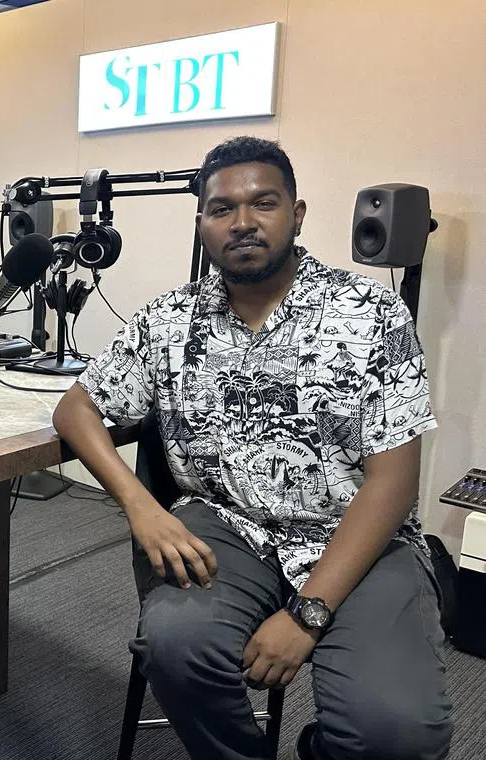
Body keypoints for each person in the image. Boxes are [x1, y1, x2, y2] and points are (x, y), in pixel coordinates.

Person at [53, 136, 452, 760]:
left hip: (356, 534)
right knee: (175, 646)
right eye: (221, 209)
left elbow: (393, 483)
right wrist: (141, 506)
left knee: (394, 733)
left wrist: (306, 615)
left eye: (263, 203)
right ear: (202, 224)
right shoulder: (171, 318)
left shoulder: (370, 314)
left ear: (296, 215)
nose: (242, 222)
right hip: (226, 525)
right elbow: (76, 407)